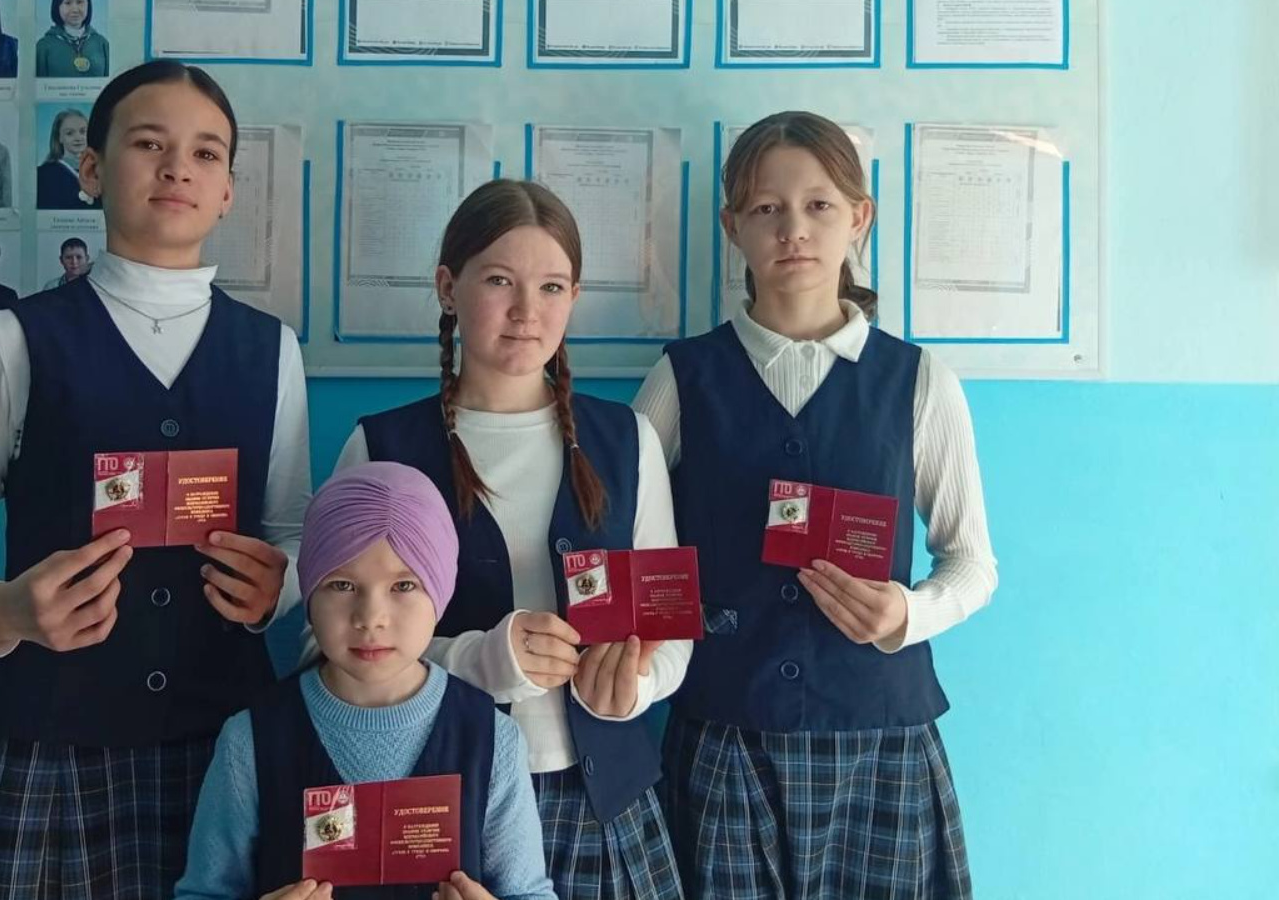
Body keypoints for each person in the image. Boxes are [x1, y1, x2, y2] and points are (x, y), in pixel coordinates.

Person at [0, 60, 312, 899]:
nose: (177, 168)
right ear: (91, 169)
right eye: (149, 144)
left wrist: (285, 587)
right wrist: (5, 611)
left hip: (227, 746)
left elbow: (298, 542)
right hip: (49, 748)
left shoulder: (272, 351)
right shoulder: (15, 341)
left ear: (228, 191)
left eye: (206, 153)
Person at [637, 111, 998, 899]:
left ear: (859, 217)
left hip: (880, 731)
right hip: (727, 726)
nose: (793, 229)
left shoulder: (918, 380)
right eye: (766, 208)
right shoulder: (683, 378)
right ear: (733, 226)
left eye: (819, 205)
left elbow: (973, 562)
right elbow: (626, 538)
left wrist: (909, 614)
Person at [329, 179, 690, 900]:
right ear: (448, 288)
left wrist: (636, 688)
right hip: (445, 811)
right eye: (499, 280)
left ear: (574, 298)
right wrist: (478, 660)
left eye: (551, 287)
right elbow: (324, 647)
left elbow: (669, 628)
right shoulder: (382, 447)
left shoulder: (629, 440)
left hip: (605, 803)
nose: (527, 311)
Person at [175, 462, 557, 900]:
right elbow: (202, 892)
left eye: (403, 586)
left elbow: (530, 892)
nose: (370, 618)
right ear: (309, 591)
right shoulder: (250, 740)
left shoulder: (493, 740)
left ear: (440, 590)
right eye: (342, 585)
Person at [36, 108, 98, 210]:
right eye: (70, 133)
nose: (78, 138)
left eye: (83, 132)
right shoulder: (43, 174)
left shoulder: (100, 172)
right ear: (59, 137)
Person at [35, 0, 108, 78]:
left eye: (79, 2)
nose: (75, 10)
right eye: (68, 3)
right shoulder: (43, 46)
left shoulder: (102, 44)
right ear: (57, 7)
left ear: (88, 5)